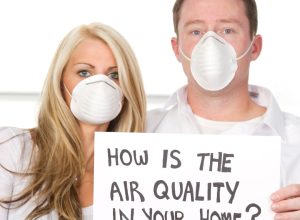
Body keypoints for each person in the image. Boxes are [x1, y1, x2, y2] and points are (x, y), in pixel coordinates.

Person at [147, 0, 300, 219]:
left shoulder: (297, 141)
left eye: (228, 30)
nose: (211, 42)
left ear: (254, 46)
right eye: (195, 31)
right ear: (176, 49)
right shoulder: (138, 131)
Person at [0, 22, 146, 219]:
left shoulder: (139, 177)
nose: (100, 85)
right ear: (60, 80)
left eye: (114, 75)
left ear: (128, 88)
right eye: (84, 73)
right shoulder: (12, 150)